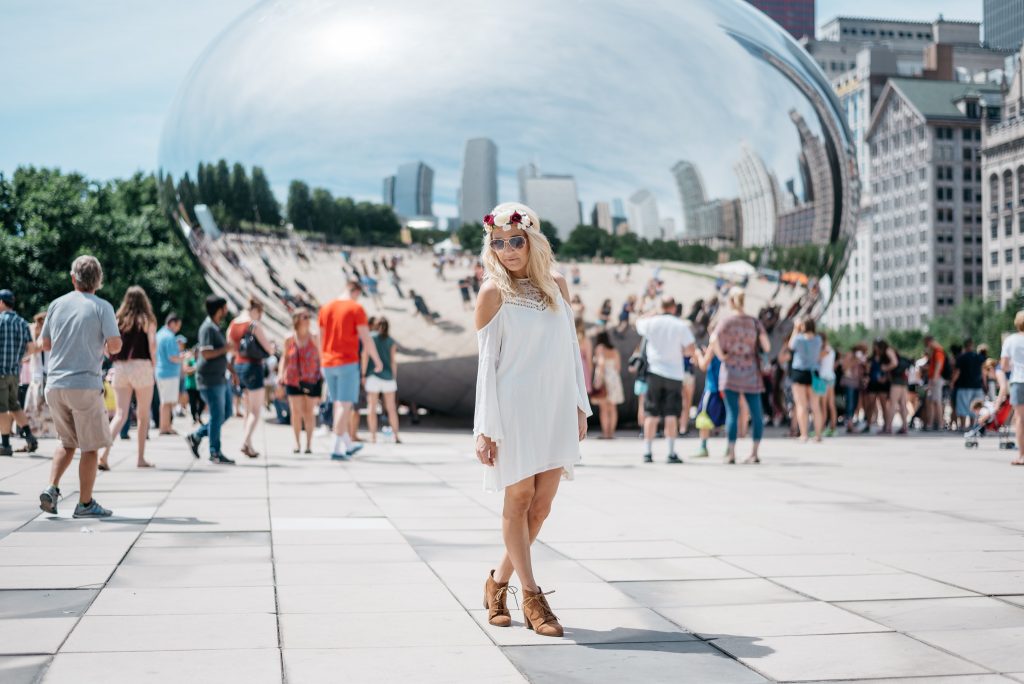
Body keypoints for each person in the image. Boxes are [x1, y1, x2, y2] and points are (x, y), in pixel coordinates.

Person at [474, 202, 591, 638]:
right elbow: (486, 364)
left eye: (515, 241)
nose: (507, 250)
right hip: (513, 410)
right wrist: (484, 427)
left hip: (555, 406)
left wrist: (579, 404)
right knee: (518, 499)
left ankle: (496, 584)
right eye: (498, 242)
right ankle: (532, 596)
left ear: (532, 241)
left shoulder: (556, 285)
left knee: (541, 507)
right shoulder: (492, 291)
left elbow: (570, 349)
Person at [38, 256, 121, 517]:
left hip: (55, 384)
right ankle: (85, 504)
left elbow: (46, 344)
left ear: (73, 278)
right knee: (90, 445)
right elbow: (115, 345)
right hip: (84, 383)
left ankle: (52, 488)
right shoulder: (102, 307)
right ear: (99, 280)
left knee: (66, 441)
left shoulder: (56, 304)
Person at [320, 279, 382, 460]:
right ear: (356, 291)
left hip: (328, 362)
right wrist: (377, 360)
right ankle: (335, 448)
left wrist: (321, 360)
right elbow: (366, 338)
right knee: (344, 405)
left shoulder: (326, 308)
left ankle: (347, 445)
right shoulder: (356, 309)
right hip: (347, 362)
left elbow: (321, 338)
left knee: (337, 403)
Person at [710, 288, 770, 464]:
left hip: (730, 370)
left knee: (732, 413)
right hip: (750, 371)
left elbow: (713, 340)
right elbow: (766, 346)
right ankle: (754, 452)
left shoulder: (726, 322)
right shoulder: (754, 322)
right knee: (756, 413)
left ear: (730, 302)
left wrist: (722, 356)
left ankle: (731, 453)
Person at [101, 286, 157, 469]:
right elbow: (153, 346)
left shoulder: (118, 320)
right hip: (142, 366)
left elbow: (106, 346)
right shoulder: (147, 320)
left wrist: (112, 359)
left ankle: (103, 453)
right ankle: (140, 458)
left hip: (121, 367)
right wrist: (154, 367)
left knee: (120, 414)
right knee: (142, 416)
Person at [636, 296, 695, 464]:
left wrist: (651, 312)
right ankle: (670, 452)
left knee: (651, 413)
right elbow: (690, 349)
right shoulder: (680, 325)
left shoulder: (651, 322)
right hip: (674, 373)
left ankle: (647, 452)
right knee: (671, 413)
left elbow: (638, 322)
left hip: (654, 371)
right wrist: (680, 352)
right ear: (674, 308)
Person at [185, 295, 236, 465]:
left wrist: (232, 371)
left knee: (226, 413)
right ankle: (215, 452)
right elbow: (206, 353)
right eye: (225, 307)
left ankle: (197, 436)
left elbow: (220, 353)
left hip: (220, 378)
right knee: (216, 415)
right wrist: (226, 348)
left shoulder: (215, 327)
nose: (226, 311)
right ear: (219, 309)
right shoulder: (207, 328)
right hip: (209, 379)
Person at [227, 297, 273, 458]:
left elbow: (230, 347)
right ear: (256, 310)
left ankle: (250, 446)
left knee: (247, 409)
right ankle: (245, 442)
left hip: (238, 366)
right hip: (253, 367)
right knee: (255, 410)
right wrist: (271, 348)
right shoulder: (253, 325)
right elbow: (269, 349)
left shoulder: (233, 324)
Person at [0, 289, 39, 455]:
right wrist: (18, 358)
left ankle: (5, 445)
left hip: (0, 371)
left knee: (2, 408)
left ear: (2, 303)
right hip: (15, 372)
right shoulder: (22, 323)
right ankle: (30, 437)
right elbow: (32, 348)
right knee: (14, 405)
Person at [279, 308, 321, 454]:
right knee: (296, 412)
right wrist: (280, 375)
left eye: (308, 316)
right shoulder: (289, 338)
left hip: (312, 379)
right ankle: (297, 443)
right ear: (296, 320)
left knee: (308, 412)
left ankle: (309, 445)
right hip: (293, 379)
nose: (308, 320)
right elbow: (284, 357)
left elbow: (321, 357)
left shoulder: (314, 337)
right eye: (304, 317)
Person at [363, 316, 401, 444]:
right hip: (388, 377)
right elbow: (393, 361)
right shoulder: (391, 341)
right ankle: (396, 436)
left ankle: (373, 436)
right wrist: (394, 377)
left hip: (373, 376)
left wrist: (363, 374)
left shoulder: (371, 338)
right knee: (391, 408)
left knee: (372, 407)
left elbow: (365, 357)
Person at [787, 317, 824, 443]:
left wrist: (795, 329)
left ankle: (804, 434)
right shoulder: (818, 340)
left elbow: (790, 346)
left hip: (799, 372)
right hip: (814, 373)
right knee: (815, 406)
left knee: (801, 405)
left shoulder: (798, 338)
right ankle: (818, 434)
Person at [23, 312, 53, 439]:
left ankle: (46, 432)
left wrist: (35, 337)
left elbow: (36, 349)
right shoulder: (36, 337)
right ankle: (36, 432)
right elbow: (28, 355)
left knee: (44, 407)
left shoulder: (47, 338)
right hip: (37, 377)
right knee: (32, 407)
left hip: (46, 376)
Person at [693, 343, 725, 459]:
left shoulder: (714, 344)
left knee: (703, 417)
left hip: (712, 388)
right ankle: (728, 448)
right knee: (726, 419)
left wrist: (698, 354)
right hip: (726, 386)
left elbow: (703, 365)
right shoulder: (728, 343)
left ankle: (703, 447)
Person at [1001, 312, 1024, 466]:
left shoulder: (1010, 340)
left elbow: (1004, 366)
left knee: (1020, 419)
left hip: (1018, 380)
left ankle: (1022, 455)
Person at [155, 313, 184, 435]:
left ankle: (165, 426)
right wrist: (183, 357)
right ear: (172, 323)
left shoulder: (159, 334)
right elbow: (173, 357)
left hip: (160, 371)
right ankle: (165, 427)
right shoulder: (170, 337)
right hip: (169, 372)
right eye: (177, 326)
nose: (178, 329)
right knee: (167, 402)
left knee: (164, 401)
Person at [592, 330, 623, 439]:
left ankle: (605, 433)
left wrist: (598, 380)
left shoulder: (600, 348)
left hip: (604, 378)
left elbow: (601, 363)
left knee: (604, 409)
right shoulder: (614, 350)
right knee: (613, 408)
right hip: (614, 378)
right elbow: (618, 367)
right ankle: (611, 433)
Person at [953, 339, 985, 431]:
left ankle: (963, 426)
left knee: (963, 407)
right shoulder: (979, 357)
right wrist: (984, 384)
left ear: (965, 346)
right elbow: (983, 372)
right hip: (977, 386)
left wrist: (952, 382)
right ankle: (972, 425)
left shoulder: (961, 357)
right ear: (972, 345)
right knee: (975, 407)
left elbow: (957, 372)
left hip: (964, 386)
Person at [883, 342, 911, 434]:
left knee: (892, 404)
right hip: (903, 381)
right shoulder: (898, 355)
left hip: (896, 382)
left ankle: (888, 427)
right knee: (902, 404)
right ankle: (905, 427)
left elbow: (894, 364)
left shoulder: (888, 351)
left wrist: (885, 368)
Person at [923, 335, 946, 431]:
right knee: (932, 402)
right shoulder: (936, 351)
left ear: (929, 342)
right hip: (934, 378)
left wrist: (933, 381)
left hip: (936, 379)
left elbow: (938, 366)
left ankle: (940, 424)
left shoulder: (938, 351)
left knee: (937, 402)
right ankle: (931, 423)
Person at [817, 332, 837, 437]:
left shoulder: (824, 350)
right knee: (831, 404)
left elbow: (816, 360)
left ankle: (822, 428)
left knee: (823, 405)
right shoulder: (830, 349)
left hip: (823, 378)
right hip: (831, 377)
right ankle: (833, 428)